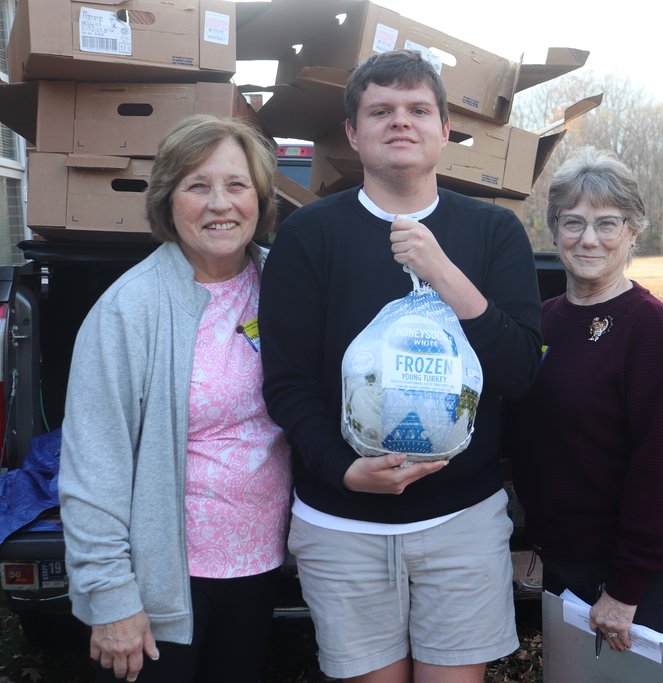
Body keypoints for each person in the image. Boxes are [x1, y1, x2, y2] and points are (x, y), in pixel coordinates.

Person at [258, 49, 541, 682]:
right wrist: (343, 471)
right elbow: (287, 383)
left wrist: (441, 270)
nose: (400, 123)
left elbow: (521, 371)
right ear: (353, 134)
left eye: (419, 110)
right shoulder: (309, 235)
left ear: (445, 129)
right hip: (342, 521)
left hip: (460, 520)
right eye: (380, 111)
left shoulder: (494, 233)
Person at [58, 114, 291, 683]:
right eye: (197, 186)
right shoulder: (128, 310)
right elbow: (94, 466)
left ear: (259, 199)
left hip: (259, 562)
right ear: (168, 201)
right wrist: (111, 595)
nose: (220, 204)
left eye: (236, 185)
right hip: (163, 578)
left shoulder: (283, 284)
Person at [503, 147, 663, 651]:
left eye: (607, 223)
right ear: (553, 231)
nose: (588, 238)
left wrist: (625, 587)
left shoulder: (649, 325)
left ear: (633, 232)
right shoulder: (541, 320)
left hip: (637, 573)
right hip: (566, 559)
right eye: (573, 222)